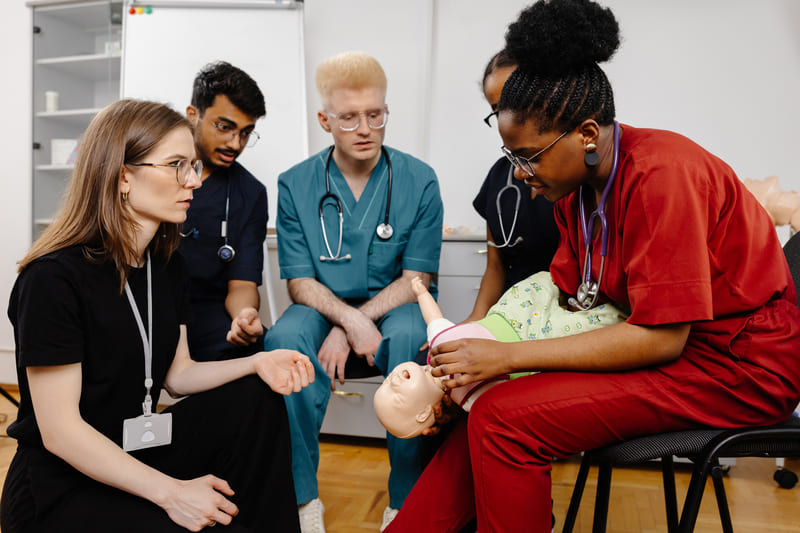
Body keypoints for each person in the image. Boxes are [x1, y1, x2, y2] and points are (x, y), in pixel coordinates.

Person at [385, 1, 800, 531]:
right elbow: (571, 301)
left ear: (586, 134)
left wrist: (506, 357)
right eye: (513, 156)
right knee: (485, 408)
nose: (521, 173)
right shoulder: (575, 192)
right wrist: (459, 376)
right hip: (674, 352)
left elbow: (660, 337)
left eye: (529, 156)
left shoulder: (662, 175)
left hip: (736, 369)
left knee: (505, 419)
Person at [0, 99, 315, 533]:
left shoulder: (165, 265)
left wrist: (257, 361)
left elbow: (178, 375)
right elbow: (61, 433)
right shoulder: (53, 278)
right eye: (177, 165)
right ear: (123, 175)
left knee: (256, 396)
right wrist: (173, 493)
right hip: (62, 484)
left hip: (133, 449)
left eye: (194, 165)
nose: (194, 181)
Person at [263, 51, 444, 533]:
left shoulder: (419, 180)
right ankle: (302, 500)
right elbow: (300, 282)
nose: (364, 128)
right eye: (348, 118)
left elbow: (417, 281)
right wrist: (350, 320)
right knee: (283, 341)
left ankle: (405, 501)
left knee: (413, 342)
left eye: (375, 114)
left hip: (397, 303)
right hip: (322, 305)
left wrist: (355, 322)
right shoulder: (295, 184)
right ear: (325, 120)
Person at [374, 273, 623, 437]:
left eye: (385, 383)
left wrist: (420, 293)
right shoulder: (469, 400)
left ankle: (566, 278)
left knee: (546, 281)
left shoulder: (437, 346)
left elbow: (434, 318)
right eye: (396, 396)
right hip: (536, 340)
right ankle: (619, 311)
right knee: (588, 326)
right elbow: (507, 406)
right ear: (423, 415)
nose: (393, 381)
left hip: (510, 312)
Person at [181, 61, 269, 361]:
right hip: (144, 308)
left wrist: (244, 316)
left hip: (203, 315)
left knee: (261, 353)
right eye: (225, 127)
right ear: (193, 116)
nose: (236, 143)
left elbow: (242, 283)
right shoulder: (151, 171)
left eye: (246, 133)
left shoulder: (250, 194)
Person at [465, 50, 559, 323]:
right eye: (497, 110)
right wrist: (474, 322)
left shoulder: (573, 178)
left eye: (517, 104)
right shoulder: (499, 177)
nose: (508, 119)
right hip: (508, 314)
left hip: (563, 316)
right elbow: (495, 268)